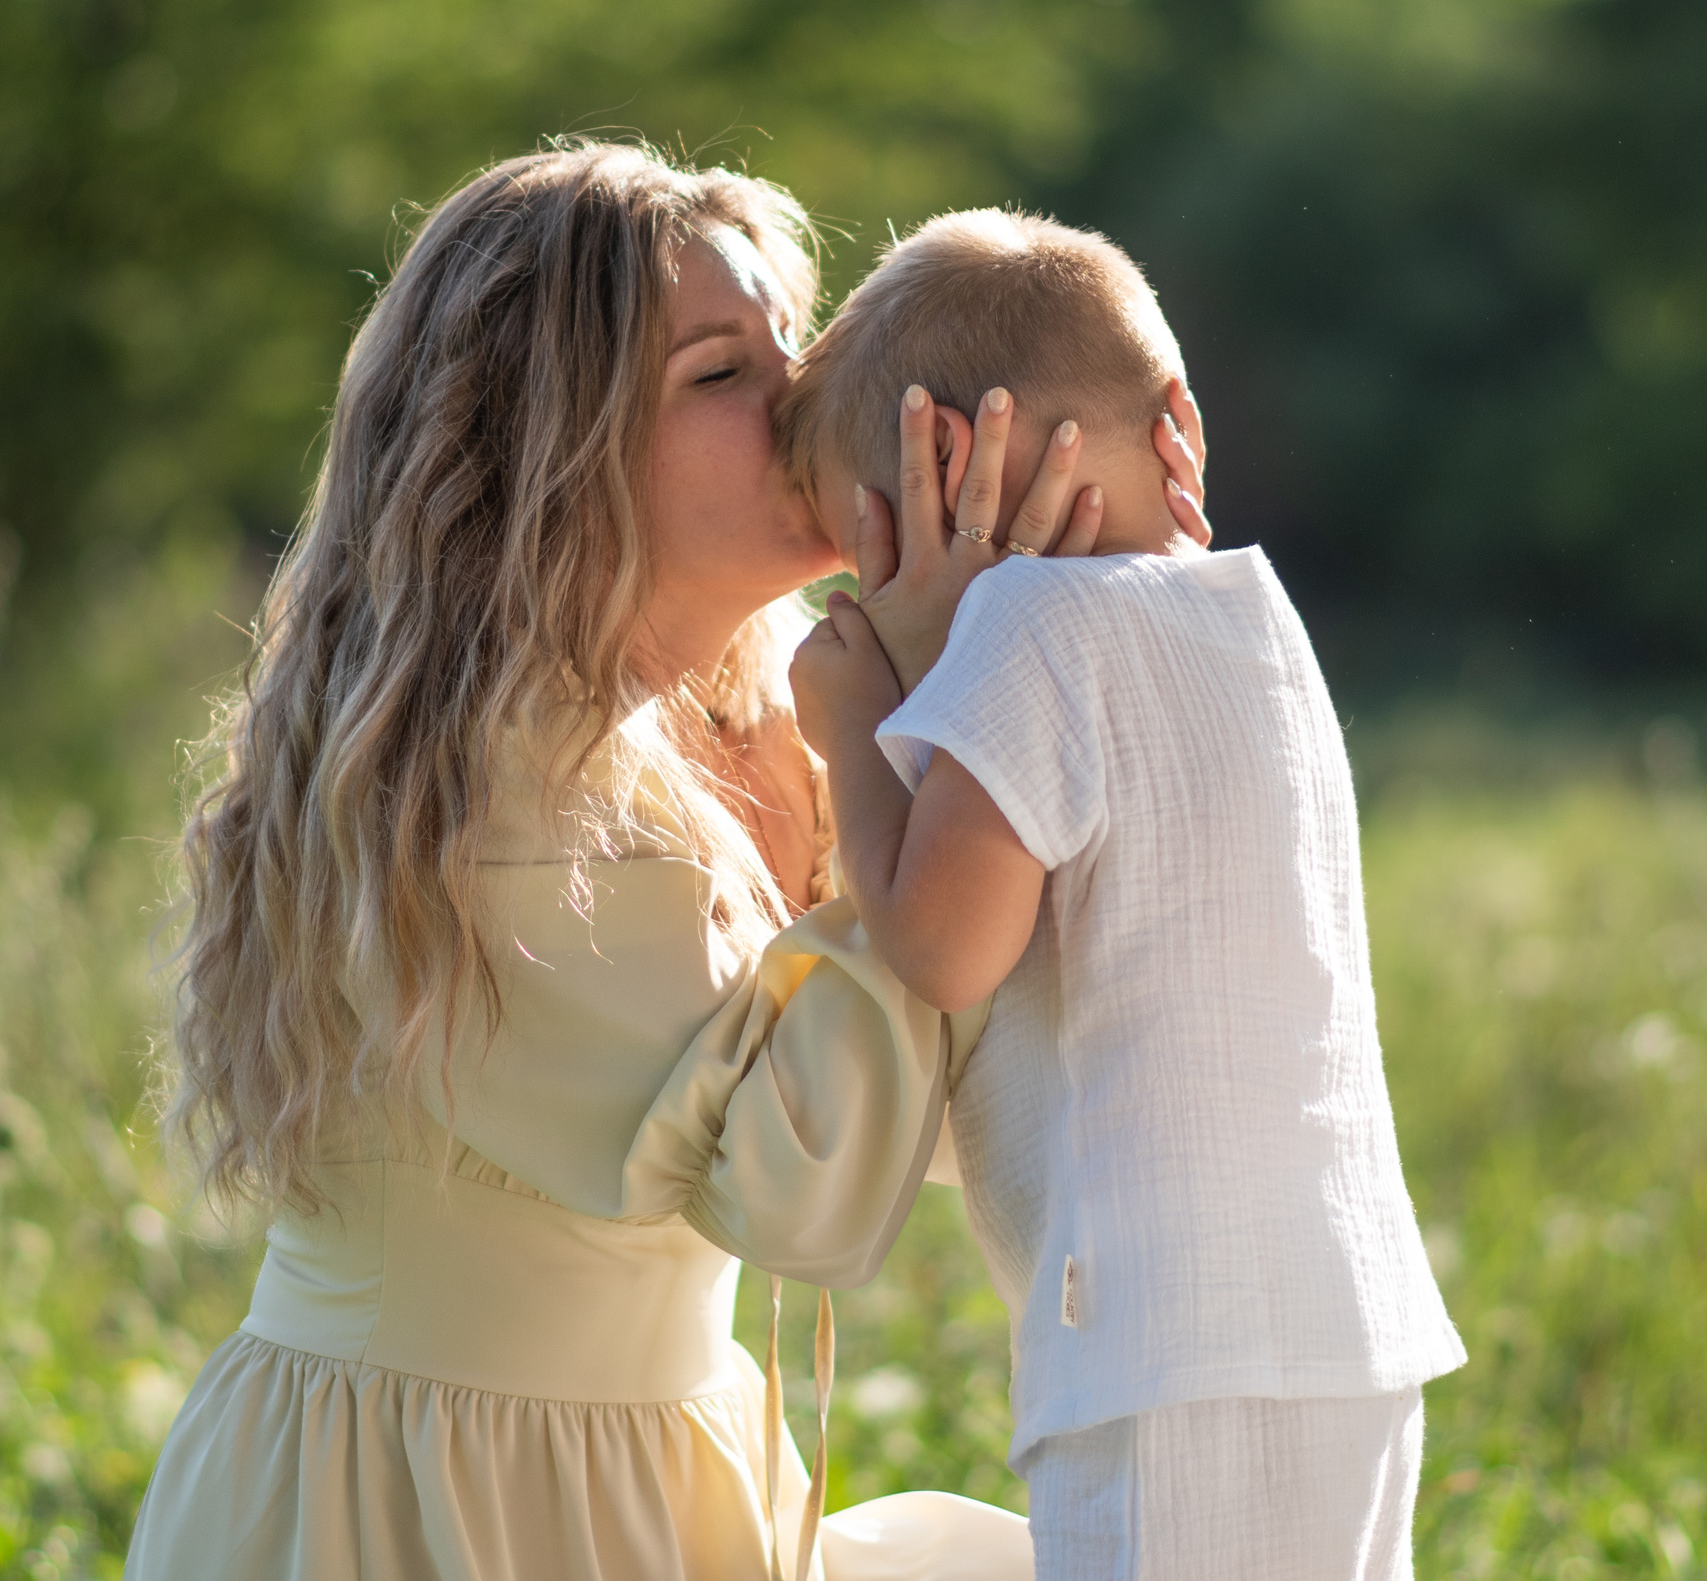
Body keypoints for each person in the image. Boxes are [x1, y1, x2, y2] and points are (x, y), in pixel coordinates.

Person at [124, 148, 1206, 1581]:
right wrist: (940, 709)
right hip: (431, 1507)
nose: (808, 400)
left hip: (638, 1476)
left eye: (790, 351)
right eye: (719, 374)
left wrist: (1104, 597)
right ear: (541, 451)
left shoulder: (762, 730)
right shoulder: (492, 797)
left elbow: (979, 1095)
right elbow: (809, 1194)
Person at [779, 208, 1467, 1581]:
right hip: (1349, 1323)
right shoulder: (1261, 623)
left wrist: (857, 723)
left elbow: (943, 946)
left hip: (1167, 1347)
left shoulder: (1034, 629)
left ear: (948, 475)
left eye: (865, 542)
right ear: (1180, 428)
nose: (861, 589)